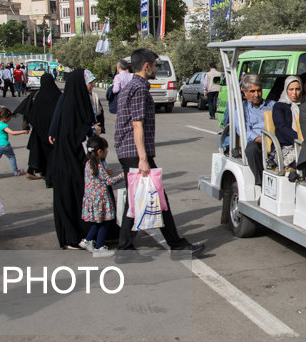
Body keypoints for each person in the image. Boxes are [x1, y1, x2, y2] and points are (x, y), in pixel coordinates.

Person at [115, 48, 205, 256]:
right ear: (146, 66)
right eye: (155, 65)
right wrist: (143, 159)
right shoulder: (138, 89)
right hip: (135, 153)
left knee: (140, 200)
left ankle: (127, 248)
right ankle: (176, 246)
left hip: (130, 151)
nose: (156, 69)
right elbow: (137, 125)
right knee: (155, 198)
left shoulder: (131, 86)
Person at [48, 69, 95, 249]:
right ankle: (72, 237)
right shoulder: (71, 105)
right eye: (89, 82)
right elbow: (72, 133)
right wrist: (91, 133)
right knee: (71, 197)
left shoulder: (73, 101)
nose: (91, 85)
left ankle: (80, 234)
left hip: (71, 159)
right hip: (69, 161)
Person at [78, 135, 123, 258]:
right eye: (106, 150)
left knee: (97, 223)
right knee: (104, 223)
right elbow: (109, 181)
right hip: (100, 200)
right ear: (99, 151)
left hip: (92, 199)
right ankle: (99, 248)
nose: (107, 152)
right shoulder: (98, 165)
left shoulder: (89, 164)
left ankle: (87, 241)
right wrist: (123, 175)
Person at [14, 72, 60, 183]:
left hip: (38, 131)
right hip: (53, 131)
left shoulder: (36, 94)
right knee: (51, 154)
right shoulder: (57, 95)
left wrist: (28, 125)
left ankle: (33, 170)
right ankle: (49, 176)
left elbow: (27, 110)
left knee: (37, 151)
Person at [237, 74, 276, 185]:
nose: (257, 95)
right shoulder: (242, 109)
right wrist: (261, 139)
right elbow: (245, 131)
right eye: (252, 91)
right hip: (257, 142)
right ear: (245, 93)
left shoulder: (272, 105)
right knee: (251, 149)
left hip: (274, 140)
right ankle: (261, 183)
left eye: (259, 91)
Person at [271, 75, 303, 167]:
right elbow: (281, 128)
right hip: (285, 146)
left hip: (303, 143)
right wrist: (299, 139)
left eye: (297, 89)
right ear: (286, 90)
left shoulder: (304, 106)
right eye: (291, 89)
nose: (295, 93)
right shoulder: (279, 106)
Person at [0, 107, 27, 176]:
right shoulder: (4, 125)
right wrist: (23, 132)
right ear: (6, 118)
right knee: (11, 157)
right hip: (5, 145)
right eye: (9, 118)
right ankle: (16, 171)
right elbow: (12, 133)